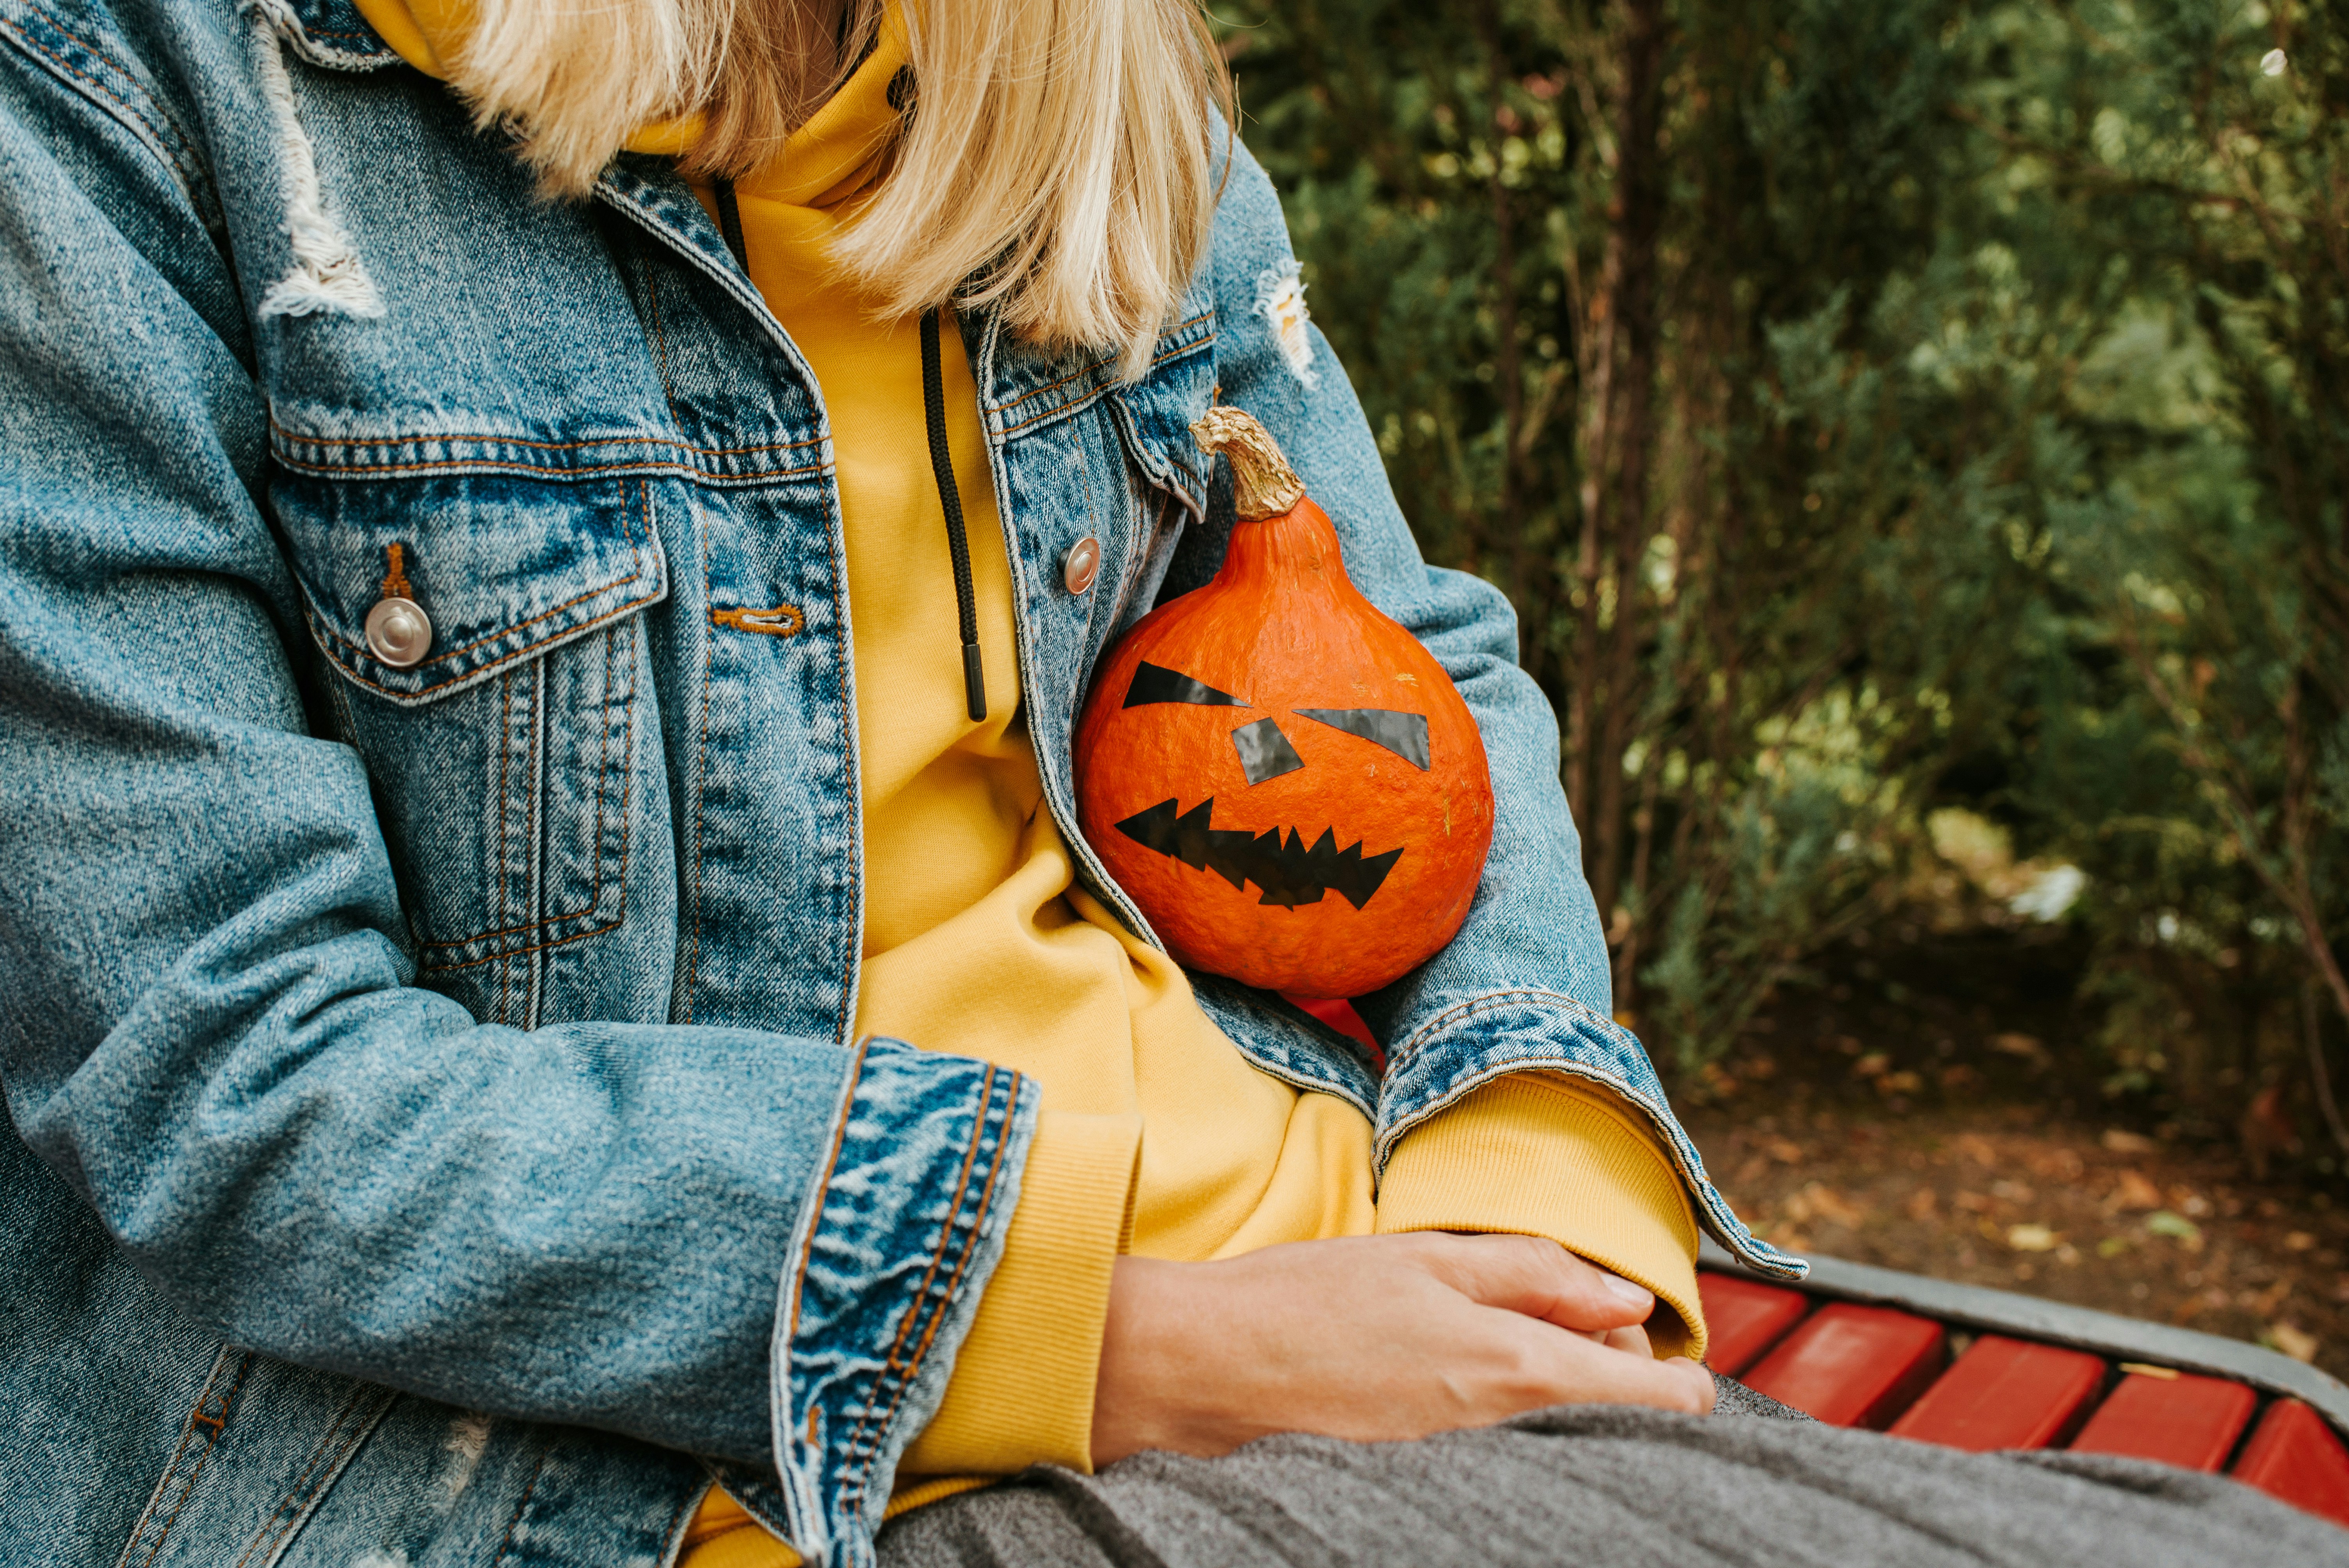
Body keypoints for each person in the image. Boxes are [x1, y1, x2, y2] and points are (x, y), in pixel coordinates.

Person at [0, 2, 2334, 1564]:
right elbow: (242, 1081)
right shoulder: (124, 105)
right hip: (724, 1456)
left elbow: (1412, 670)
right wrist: (1125, 1346)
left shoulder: (1084, 91)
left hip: (1355, 1278)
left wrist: (1544, 1187)